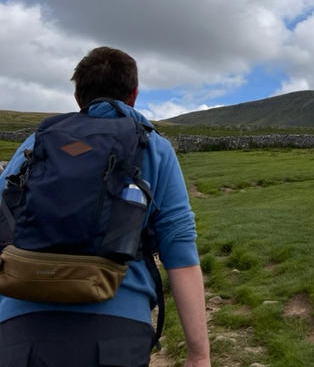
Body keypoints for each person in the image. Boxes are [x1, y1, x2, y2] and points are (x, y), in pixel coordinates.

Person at [0, 47, 211, 367]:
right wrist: (199, 355)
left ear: (77, 96)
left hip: (21, 324)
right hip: (117, 329)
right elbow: (179, 251)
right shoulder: (154, 147)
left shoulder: (37, 143)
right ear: (134, 95)